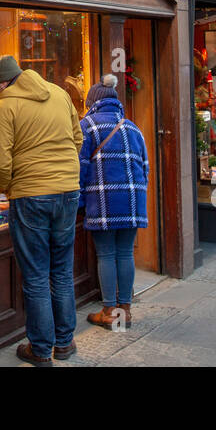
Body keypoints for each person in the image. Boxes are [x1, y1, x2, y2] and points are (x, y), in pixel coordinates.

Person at [0, 54, 83, 367]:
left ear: (3, 82)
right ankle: (65, 342)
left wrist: (8, 187)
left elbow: (1, 162)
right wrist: (64, 170)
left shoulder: (5, 107)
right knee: (61, 269)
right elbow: (77, 137)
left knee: (36, 276)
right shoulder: (58, 94)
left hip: (30, 195)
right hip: (68, 192)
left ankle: (41, 349)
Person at [78, 74, 148, 331]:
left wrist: (78, 201)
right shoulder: (132, 127)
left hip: (103, 200)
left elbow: (81, 168)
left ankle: (109, 311)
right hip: (132, 198)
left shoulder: (88, 126)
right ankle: (126, 310)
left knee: (106, 254)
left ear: (93, 101)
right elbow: (145, 166)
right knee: (126, 252)